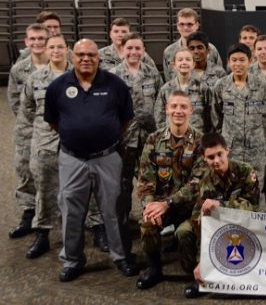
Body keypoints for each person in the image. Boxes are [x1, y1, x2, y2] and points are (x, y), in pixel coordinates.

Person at [43, 39, 138, 282]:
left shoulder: (115, 84)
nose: (86, 59)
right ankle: (72, 260)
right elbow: (54, 121)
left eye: (91, 55)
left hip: (107, 157)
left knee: (114, 210)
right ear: (72, 56)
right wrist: (77, 135)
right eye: (81, 55)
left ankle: (121, 256)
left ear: (99, 58)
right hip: (72, 159)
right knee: (71, 211)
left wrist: (103, 135)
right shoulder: (57, 86)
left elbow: (125, 120)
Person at [134, 90, 204, 290]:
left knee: (184, 233)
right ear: (167, 109)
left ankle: (194, 271)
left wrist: (167, 203)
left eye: (183, 107)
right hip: (162, 204)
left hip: (190, 206)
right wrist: (150, 206)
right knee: (147, 222)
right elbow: (145, 179)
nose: (178, 111)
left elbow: (197, 182)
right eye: (174, 106)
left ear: (191, 110)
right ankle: (154, 268)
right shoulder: (154, 140)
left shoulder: (200, 141)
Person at [182, 132, 259, 298]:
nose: (216, 161)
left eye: (220, 154)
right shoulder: (203, 179)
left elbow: (251, 207)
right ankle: (201, 275)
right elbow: (201, 219)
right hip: (214, 225)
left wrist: (221, 205)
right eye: (211, 157)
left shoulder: (246, 171)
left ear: (227, 150)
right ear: (204, 158)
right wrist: (202, 259)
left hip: (242, 223)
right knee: (184, 231)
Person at [19, 34, 71, 259]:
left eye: (61, 47)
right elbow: (27, 108)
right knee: (45, 188)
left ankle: (90, 229)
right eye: (52, 47)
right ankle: (43, 233)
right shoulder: (36, 78)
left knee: (78, 190)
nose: (57, 51)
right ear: (47, 51)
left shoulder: (78, 76)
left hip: (73, 141)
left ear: (67, 49)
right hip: (45, 141)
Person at [109, 32, 164, 244]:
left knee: (151, 183)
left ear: (144, 50)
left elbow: (160, 105)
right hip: (124, 140)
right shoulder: (113, 75)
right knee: (122, 186)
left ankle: (150, 224)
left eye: (137, 48)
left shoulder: (152, 73)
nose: (133, 52)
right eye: (129, 48)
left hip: (149, 140)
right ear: (122, 50)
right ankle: (122, 229)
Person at [212, 43, 266, 212]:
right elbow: (216, 118)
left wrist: (261, 141)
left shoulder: (261, 85)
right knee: (231, 189)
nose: (238, 64)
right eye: (234, 60)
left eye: (242, 60)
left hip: (256, 150)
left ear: (250, 61)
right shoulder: (221, 86)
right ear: (228, 62)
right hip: (231, 149)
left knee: (256, 190)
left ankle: (257, 231)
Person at [7, 23, 48, 239]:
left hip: (54, 131)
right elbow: (14, 100)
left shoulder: (60, 66)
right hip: (28, 131)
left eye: (41, 38)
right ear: (26, 42)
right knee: (26, 173)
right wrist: (32, 121)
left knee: (55, 173)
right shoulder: (18, 69)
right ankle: (29, 213)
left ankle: (53, 215)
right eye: (33, 39)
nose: (37, 43)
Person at [155, 49, 213, 133]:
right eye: (180, 60)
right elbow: (159, 116)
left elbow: (210, 116)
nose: (184, 62)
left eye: (188, 59)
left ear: (193, 64)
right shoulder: (166, 89)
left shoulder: (202, 88)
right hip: (172, 138)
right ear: (174, 65)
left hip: (197, 138)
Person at [163, 8, 223, 81]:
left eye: (189, 24)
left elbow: (221, 78)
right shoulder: (169, 52)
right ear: (177, 26)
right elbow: (168, 81)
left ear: (197, 25)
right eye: (181, 24)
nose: (185, 28)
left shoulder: (211, 49)